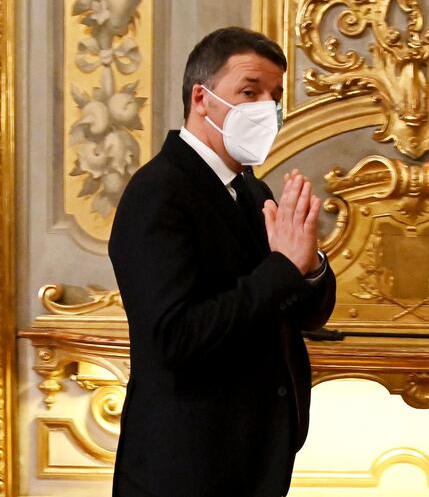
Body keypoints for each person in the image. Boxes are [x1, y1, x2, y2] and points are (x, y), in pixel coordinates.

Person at [109, 26, 336, 497]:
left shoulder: (255, 192)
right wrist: (282, 269)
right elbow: (176, 336)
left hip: (255, 459)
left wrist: (309, 265)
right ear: (202, 97)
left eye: (274, 98)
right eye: (249, 92)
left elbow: (304, 315)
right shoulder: (158, 192)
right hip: (186, 466)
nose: (265, 110)